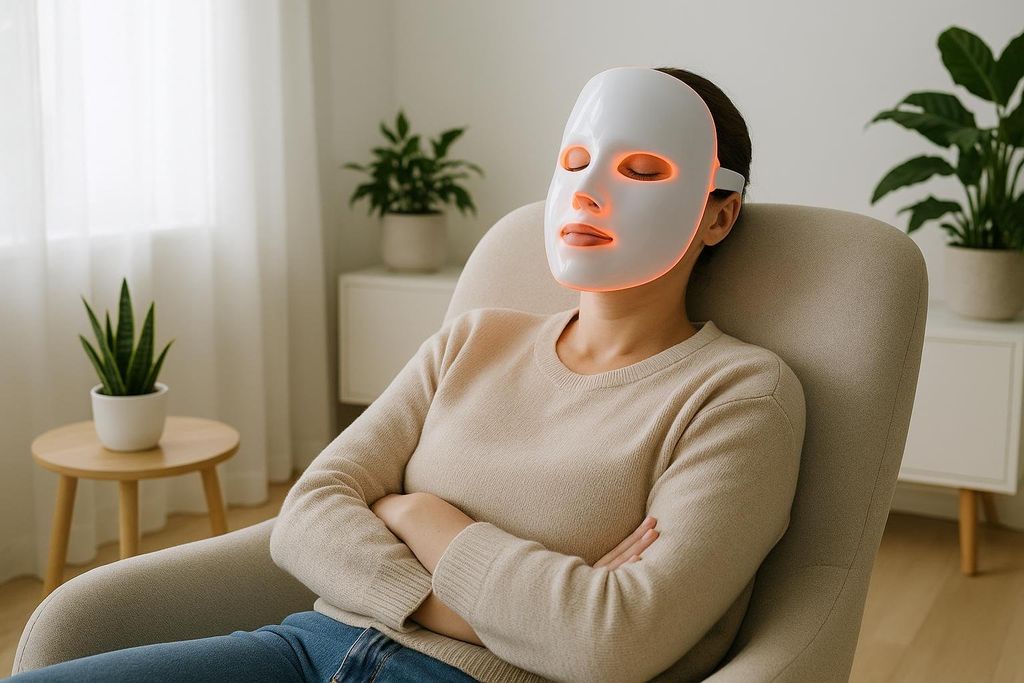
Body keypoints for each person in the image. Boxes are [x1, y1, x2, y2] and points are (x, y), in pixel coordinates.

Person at [5, 66, 805, 683]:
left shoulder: (737, 394)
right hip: (300, 650)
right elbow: (309, 513)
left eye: (640, 169)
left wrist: (420, 514)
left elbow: (609, 637)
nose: (590, 193)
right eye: (576, 161)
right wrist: (494, 602)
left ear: (718, 213)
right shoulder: (475, 339)